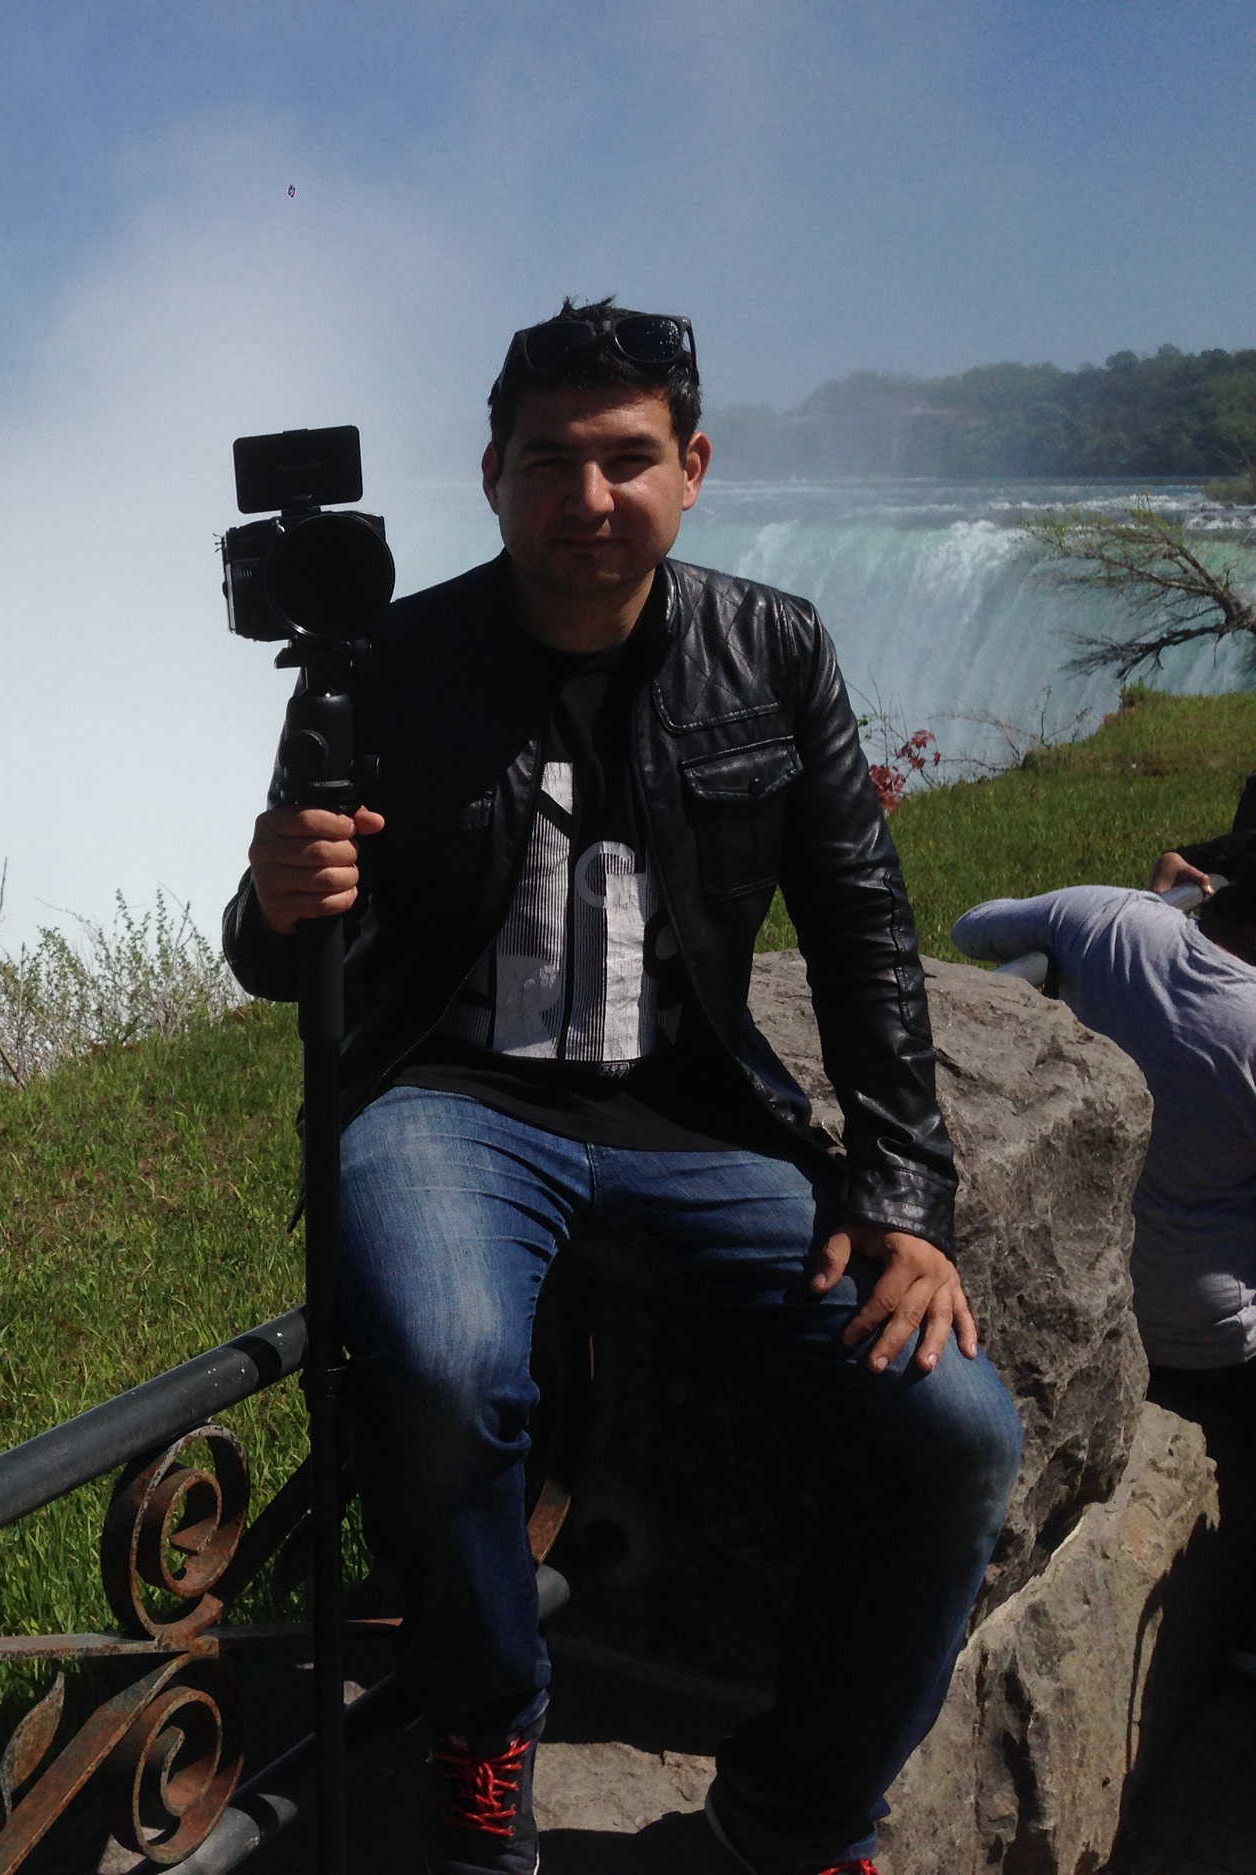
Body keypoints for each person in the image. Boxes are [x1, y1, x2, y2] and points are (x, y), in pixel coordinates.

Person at [222, 299, 1023, 1875]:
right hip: (447, 1099)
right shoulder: (390, 664)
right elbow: (271, 949)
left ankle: (801, 1808)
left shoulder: (773, 648)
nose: (588, 496)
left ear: (694, 465)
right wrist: (272, 893)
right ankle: (482, 1727)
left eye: (626, 458)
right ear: (493, 476)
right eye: (550, 462)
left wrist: (904, 1196)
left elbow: (864, 935)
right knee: (448, 1368)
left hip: (698, 1116)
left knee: (953, 1427)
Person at [953, 838, 1256, 1680]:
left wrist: (1153, 904)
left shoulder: (1115, 919)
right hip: (1206, 1342)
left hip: (1084, 1295)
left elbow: (971, 928)